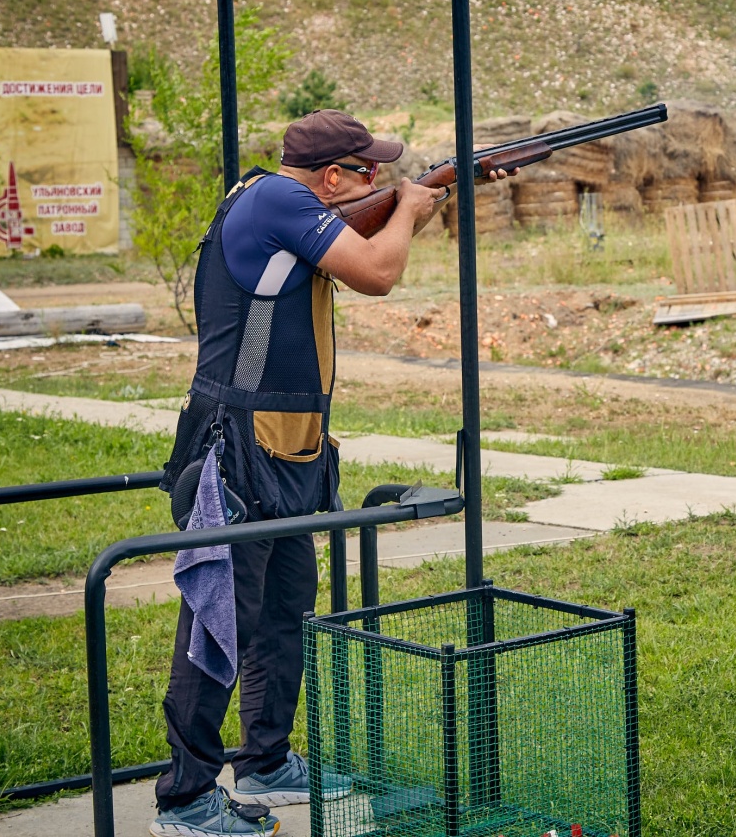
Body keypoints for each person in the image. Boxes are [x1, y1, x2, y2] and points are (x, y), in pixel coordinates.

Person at [150, 110, 510, 837]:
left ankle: (266, 759)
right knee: (219, 618)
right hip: (242, 444)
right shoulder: (283, 201)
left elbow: (367, 243)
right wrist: (411, 205)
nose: (376, 180)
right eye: (364, 169)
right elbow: (378, 271)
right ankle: (185, 800)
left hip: (291, 445)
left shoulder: (285, 203)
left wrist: (435, 197)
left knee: (283, 609)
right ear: (330, 178)